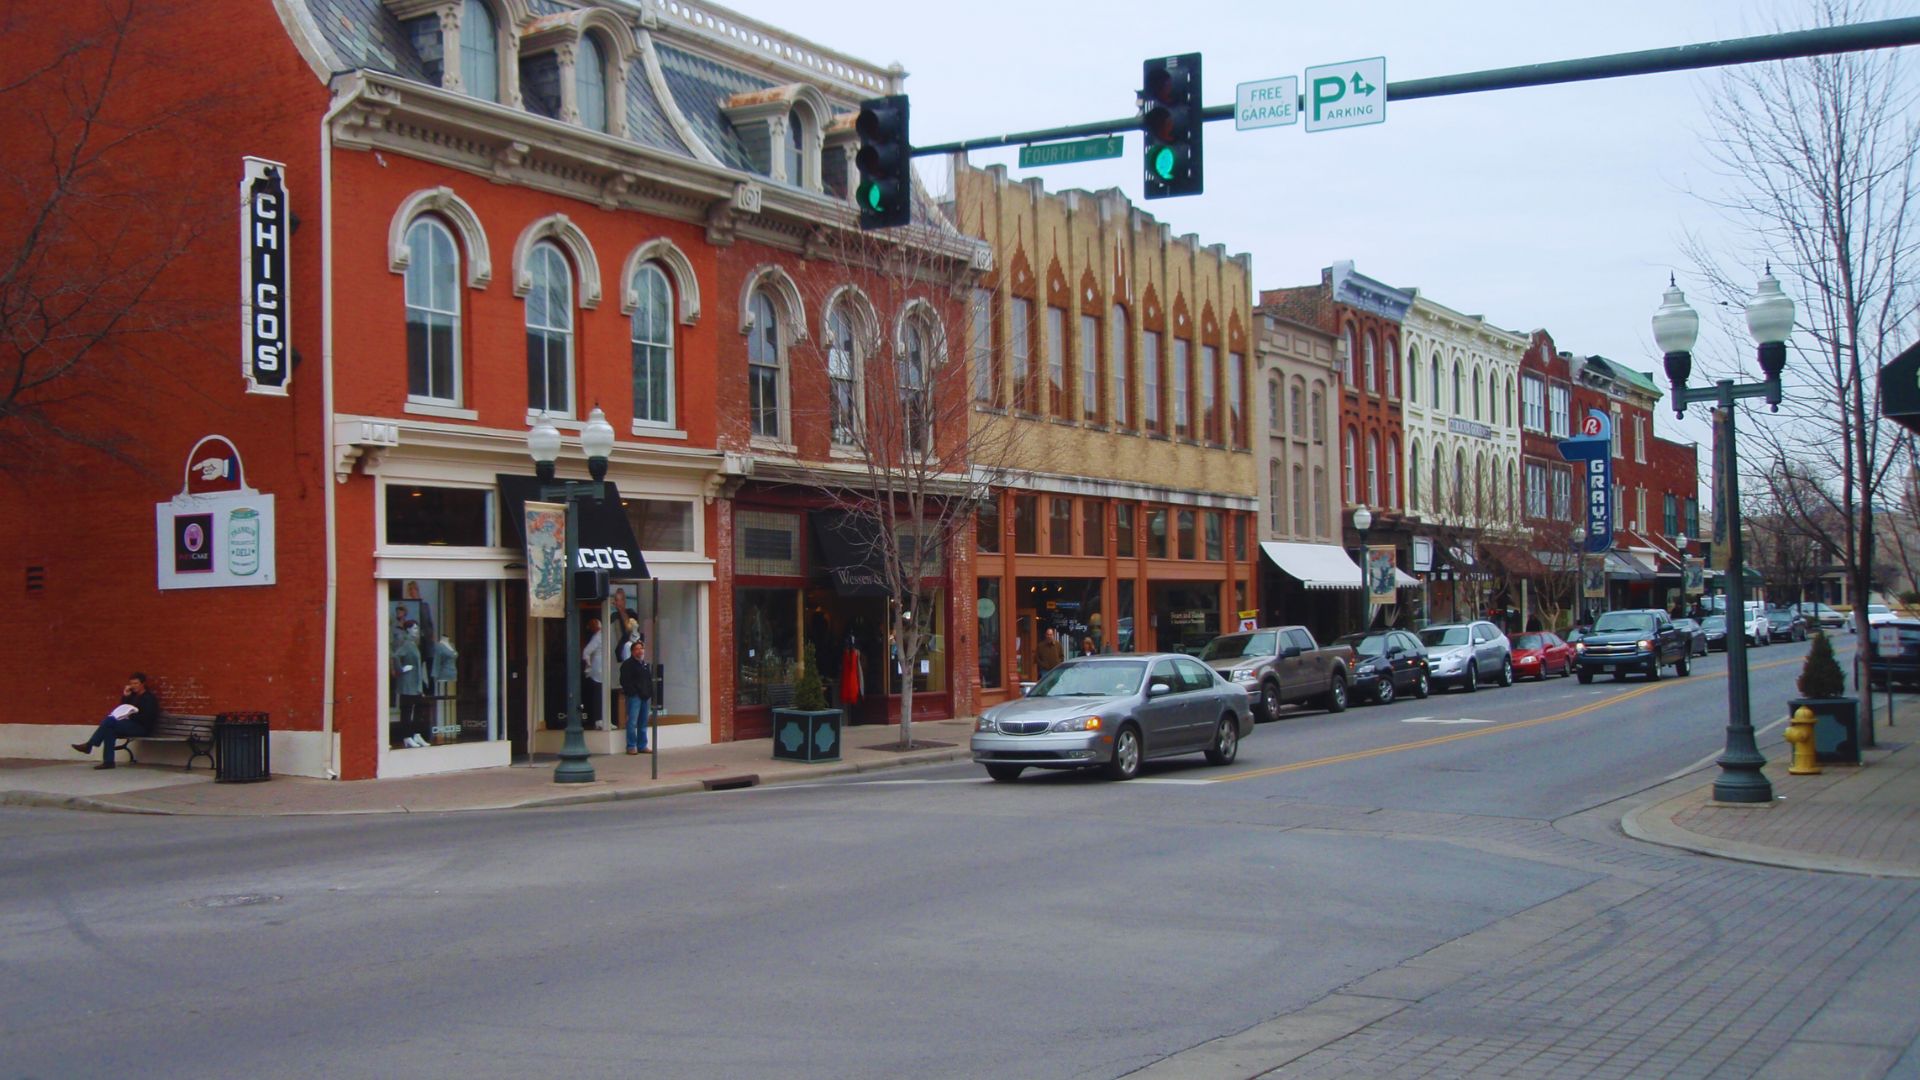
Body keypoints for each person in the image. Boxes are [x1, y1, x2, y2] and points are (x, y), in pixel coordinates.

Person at [72, 672, 160, 769]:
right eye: (131, 684)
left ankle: (89, 745)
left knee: (109, 721)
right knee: (109, 730)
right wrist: (126, 696)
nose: (133, 686)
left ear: (143, 684)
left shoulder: (149, 698)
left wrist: (130, 715)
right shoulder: (132, 696)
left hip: (142, 728)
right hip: (129, 725)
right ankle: (108, 762)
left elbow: (148, 717)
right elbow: (122, 708)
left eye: (136, 683)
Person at [393, 621, 427, 747]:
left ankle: (416, 734)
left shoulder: (413, 644)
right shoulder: (406, 643)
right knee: (407, 711)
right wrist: (401, 669)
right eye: (414, 628)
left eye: (417, 628)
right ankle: (407, 736)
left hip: (415, 684)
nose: (416, 631)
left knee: (418, 709)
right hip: (407, 684)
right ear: (408, 630)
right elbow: (396, 656)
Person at [620, 639, 654, 754]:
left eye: (641, 649)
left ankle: (642, 745)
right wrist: (633, 692)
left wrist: (649, 692)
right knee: (632, 722)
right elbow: (624, 681)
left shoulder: (644, 664)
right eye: (637, 649)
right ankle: (631, 746)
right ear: (632, 651)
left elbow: (648, 679)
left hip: (644, 697)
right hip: (634, 697)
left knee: (643, 722)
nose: (640, 651)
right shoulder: (628, 664)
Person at [582, 616, 605, 729]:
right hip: (598, 669)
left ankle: (602, 718)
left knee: (602, 693)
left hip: (602, 669)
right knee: (599, 693)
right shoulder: (598, 637)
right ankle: (598, 720)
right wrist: (589, 666)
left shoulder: (601, 636)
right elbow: (586, 652)